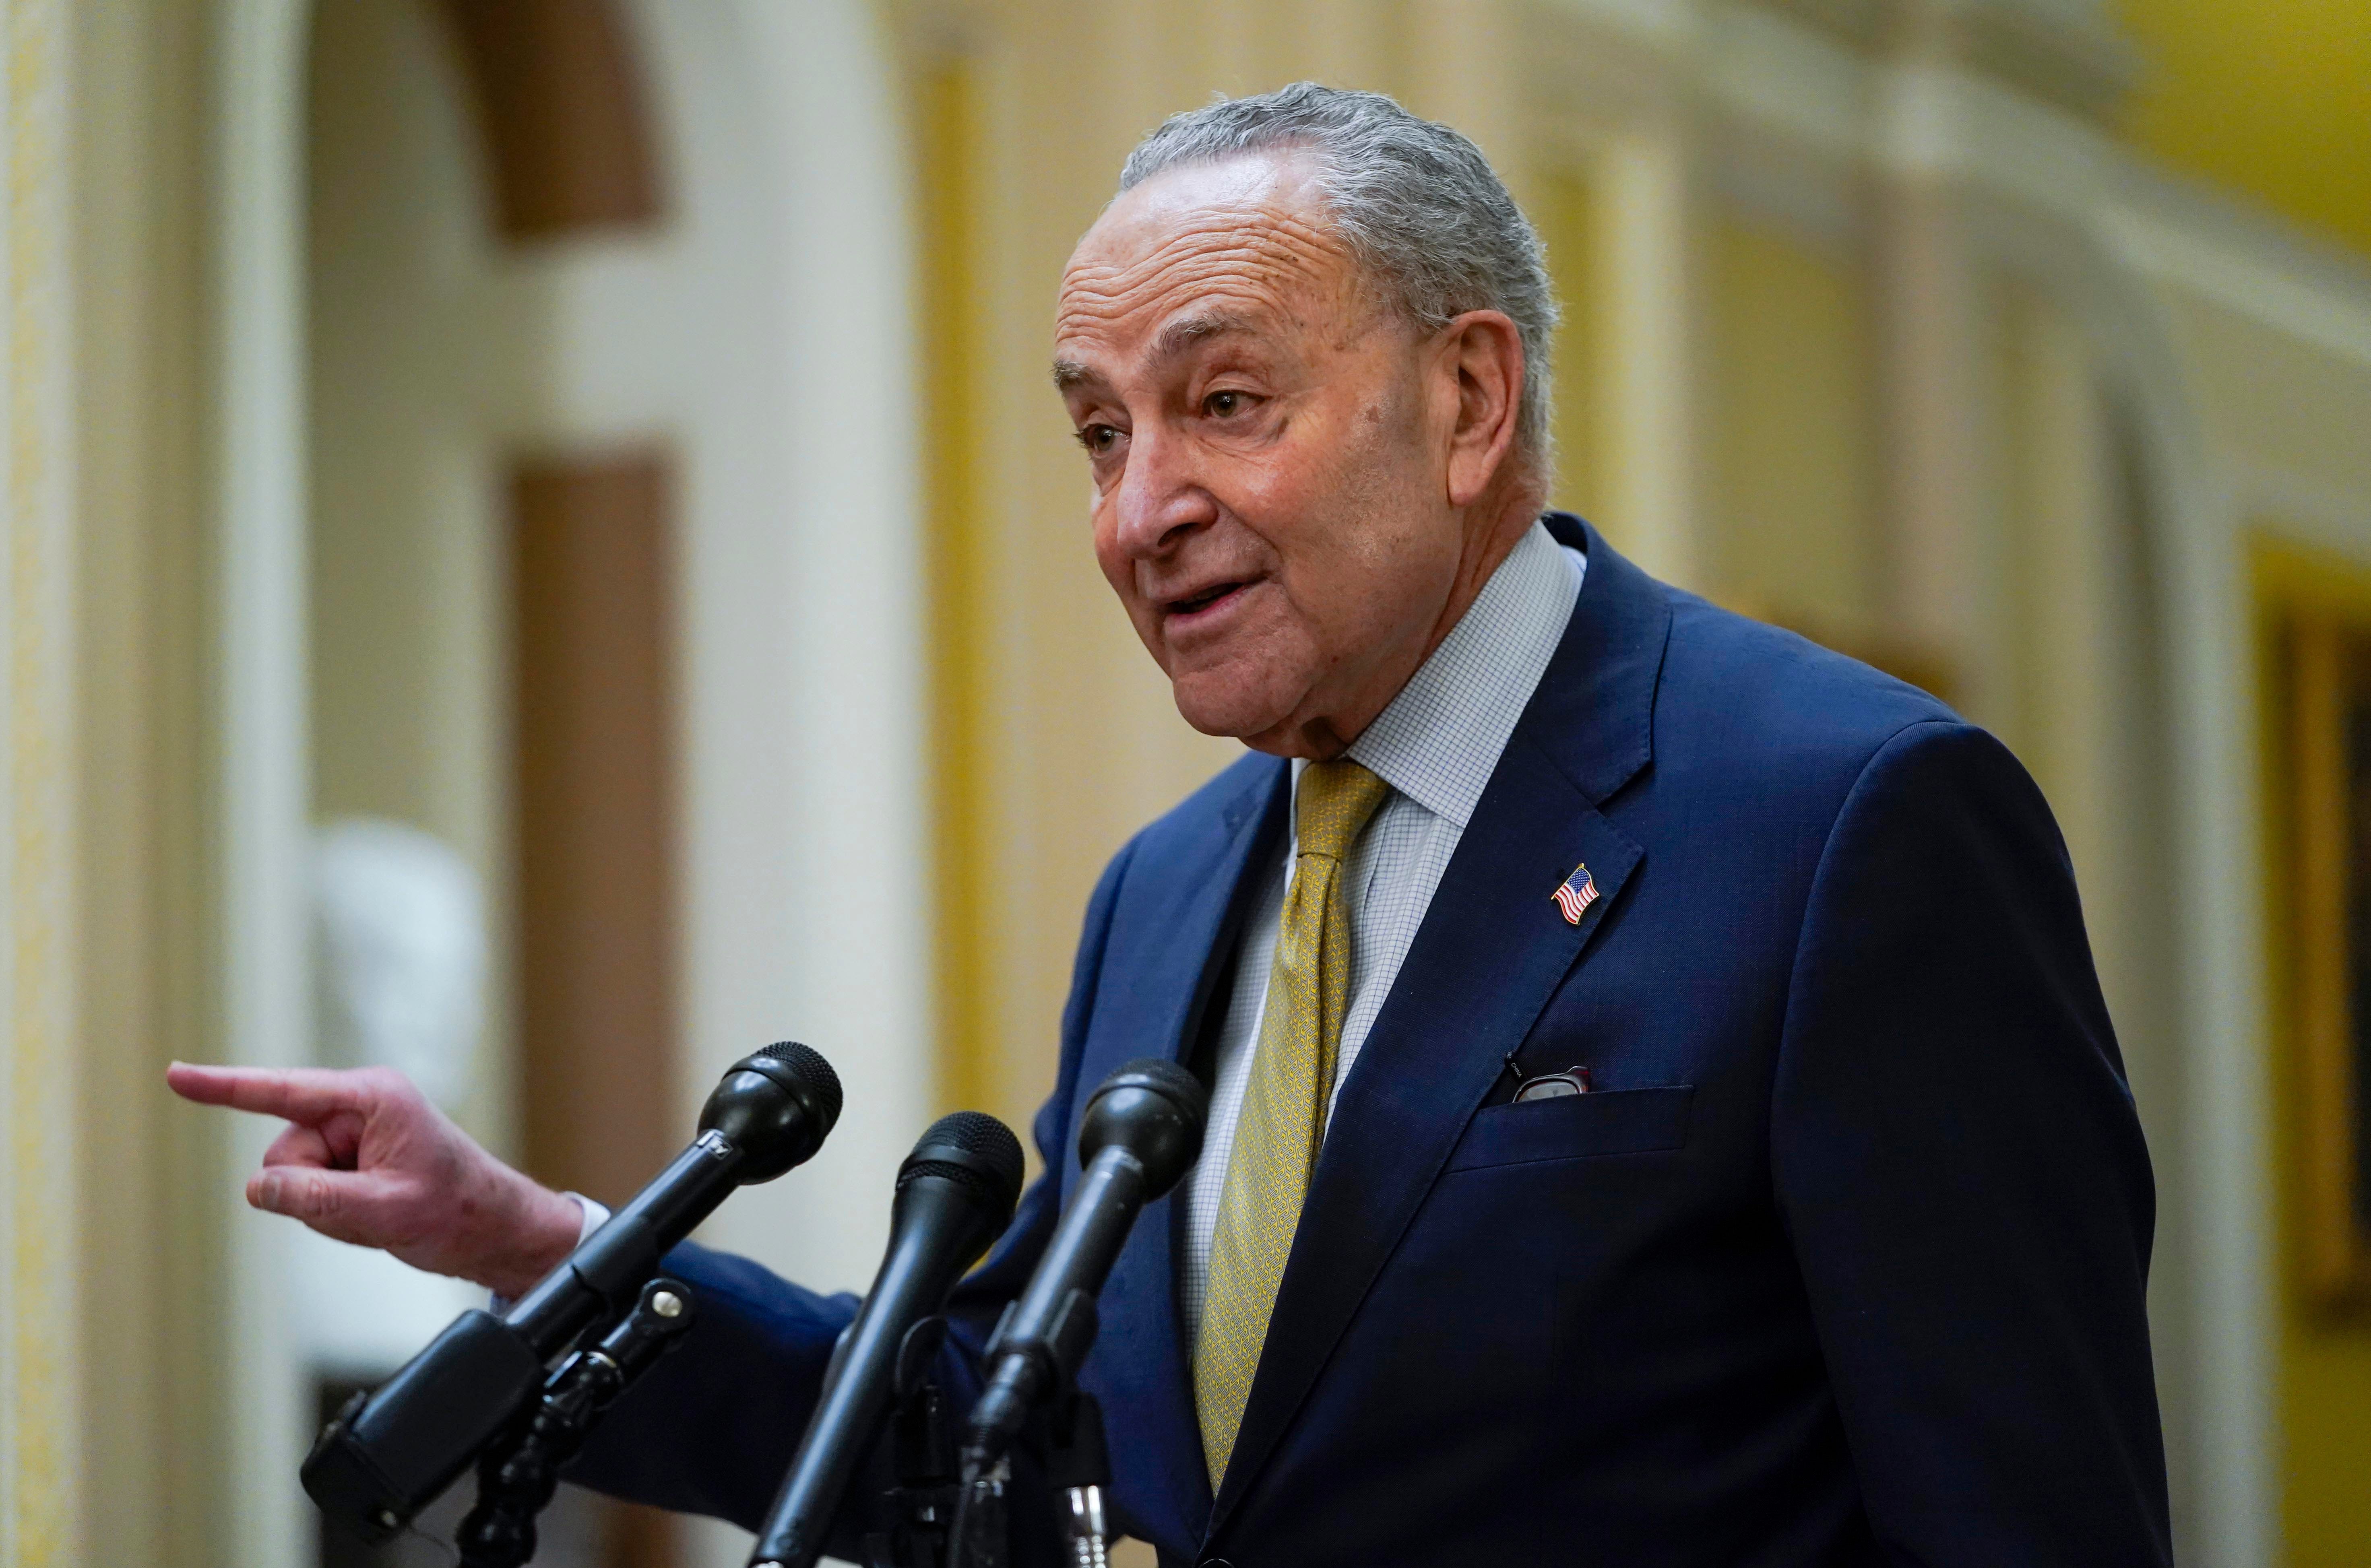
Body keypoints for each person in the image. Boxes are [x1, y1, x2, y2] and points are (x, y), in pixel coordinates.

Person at [171, 84, 2172, 1566]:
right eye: (1102, 434)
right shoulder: (1174, 891)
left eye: (1224, 403)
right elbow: (998, 1431)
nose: (1138, 513)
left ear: (1470, 399)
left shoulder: (1849, 824)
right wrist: (555, 1256)